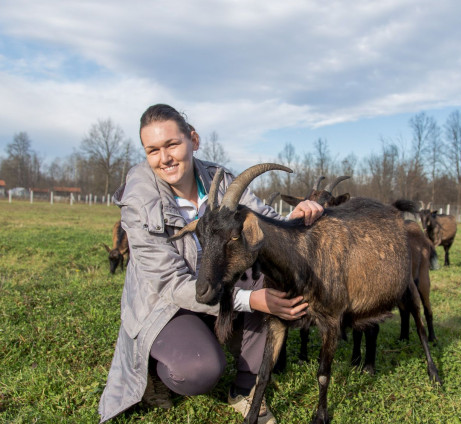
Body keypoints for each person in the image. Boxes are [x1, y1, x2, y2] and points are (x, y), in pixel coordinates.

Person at [98, 104, 323, 423]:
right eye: (153, 150)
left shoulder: (223, 181)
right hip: (165, 305)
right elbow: (170, 285)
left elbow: (265, 222)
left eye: (172, 144)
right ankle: (154, 373)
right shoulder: (139, 201)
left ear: (194, 140)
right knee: (201, 370)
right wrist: (250, 300)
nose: (164, 158)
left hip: (213, 288)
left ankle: (245, 390)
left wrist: (295, 217)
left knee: (267, 271)